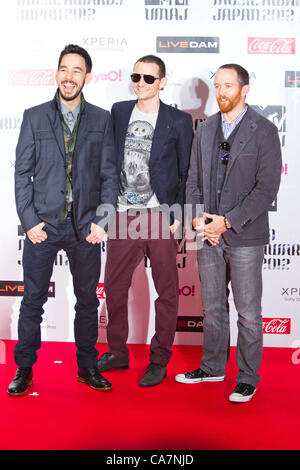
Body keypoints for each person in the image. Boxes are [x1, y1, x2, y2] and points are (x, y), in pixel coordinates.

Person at [8, 44, 118, 396]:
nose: (69, 77)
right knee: (33, 301)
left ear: (87, 76)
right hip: (44, 226)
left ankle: (87, 366)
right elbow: (22, 173)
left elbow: (109, 176)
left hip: (85, 228)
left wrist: (103, 220)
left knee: (87, 301)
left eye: (77, 71)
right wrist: (29, 222)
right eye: (64, 69)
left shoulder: (102, 119)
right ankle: (24, 368)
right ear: (57, 73)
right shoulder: (34, 116)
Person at [175, 64, 282, 403]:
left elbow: (267, 189)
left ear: (245, 89)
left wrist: (228, 221)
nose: (221, 92)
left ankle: (248, 376)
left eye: (228, 86)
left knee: (248, 312)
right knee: (212, 308)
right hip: (208, 235)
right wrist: (197, 221)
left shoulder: (263, 130)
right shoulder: (204, 130)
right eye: (217, 85)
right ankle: (212, 367)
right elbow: (192, 181)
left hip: (245, 236)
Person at [97, 55, 194, 387]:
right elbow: (108, 162)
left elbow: (186, 172)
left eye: (149, 78)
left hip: (159, 215)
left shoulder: (178, 120)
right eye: (136, 76)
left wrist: (179, 215)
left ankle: (159, 359)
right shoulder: (120, 111)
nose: (141, 83)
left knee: (166, 291)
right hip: (123, 214)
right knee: (114, 288)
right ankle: (117, 352)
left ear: (162, 82)